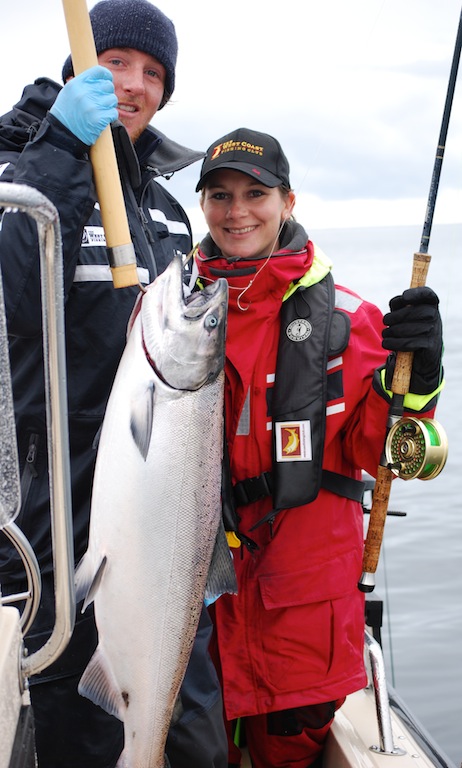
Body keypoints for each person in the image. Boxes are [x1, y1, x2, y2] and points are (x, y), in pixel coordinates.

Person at [0, 2, 227, 767]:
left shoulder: (162, 206)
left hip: (163, 526)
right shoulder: (17, 173)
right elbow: (11, 297)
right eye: (117, 62)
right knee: (81, 739)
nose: (134, 84)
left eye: (153, 73)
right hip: (56, 538)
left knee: (188, 738)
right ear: (77, 66)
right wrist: (61, 150)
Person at [191, 127, 444, 768]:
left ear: (289, 201)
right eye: (219, 195)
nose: (237, 211)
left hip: (301, 627)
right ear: (202, 206)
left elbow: (380, 450)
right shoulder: (173, 314)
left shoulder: (351, 320)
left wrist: (421, 379)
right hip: (193, 614)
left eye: (255, 194)